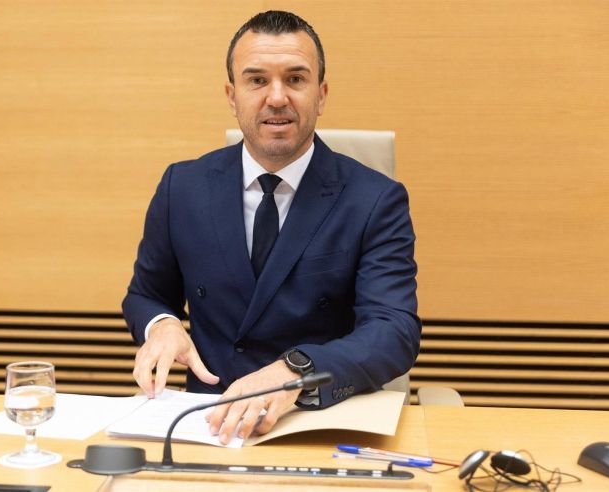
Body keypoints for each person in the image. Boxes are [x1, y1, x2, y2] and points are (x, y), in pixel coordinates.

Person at [122, 10, 420, 445]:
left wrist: (294, 373)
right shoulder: (181, 187)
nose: (277, 97)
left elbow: (393, 330)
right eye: (257, 80)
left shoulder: (375, 199)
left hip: (315, 422)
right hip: (208, 423)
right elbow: (146, 295)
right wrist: (163, 325)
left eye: (295, 79)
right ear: (232, 95)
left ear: (321, 95)